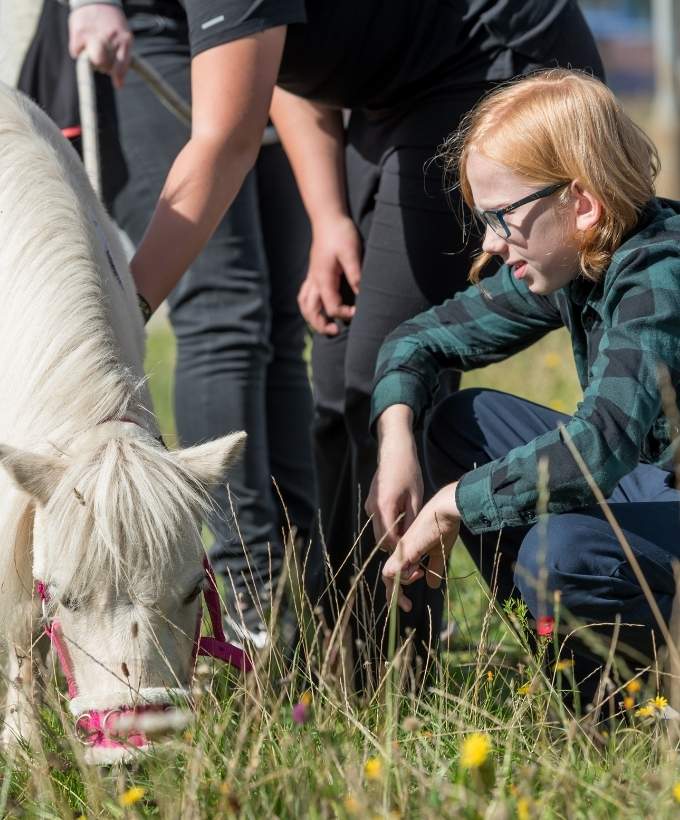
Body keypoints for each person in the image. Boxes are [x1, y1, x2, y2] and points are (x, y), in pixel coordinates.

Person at [68, 0, 604, 684]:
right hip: (382, 100)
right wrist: (327, 219)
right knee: (336, 385)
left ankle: (389, 675)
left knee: (376, 385)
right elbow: (286, 63)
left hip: (482, 63)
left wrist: (118, 314)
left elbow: (225, 140)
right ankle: (336, 645)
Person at [369, 68, 680, 703]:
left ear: (581, 203)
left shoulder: (659, 278)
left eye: (503, 216)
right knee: (461, 421)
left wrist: (453, 501)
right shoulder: (582, 255)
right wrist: (395, 437)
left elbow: (601, 446)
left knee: (559, 554)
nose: (490, 242)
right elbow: (419, 339)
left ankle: (615, 709)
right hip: (660, 487)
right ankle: (571, 655)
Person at [67, 1, 317, 647]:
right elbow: (222, 145)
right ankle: (247, 603)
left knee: (283, 320)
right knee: (226, 308)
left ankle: (306, 595)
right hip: (141, 31)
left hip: (263, 30)